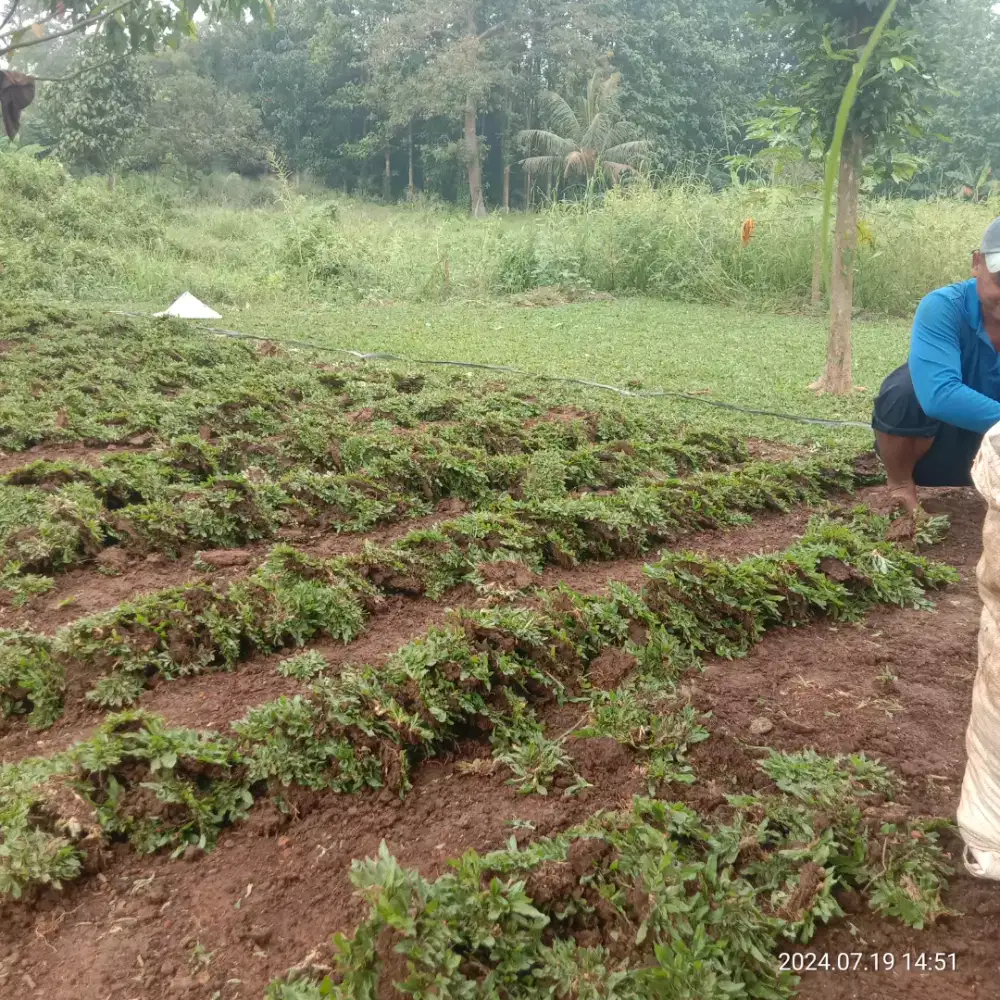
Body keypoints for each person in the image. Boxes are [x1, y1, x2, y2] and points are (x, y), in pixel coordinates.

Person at [872, 216, 1000, 512]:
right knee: (905, 390)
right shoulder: (943, 306)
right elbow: (939, 394)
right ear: (977, 263)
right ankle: (901, 484)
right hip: (943, 452)